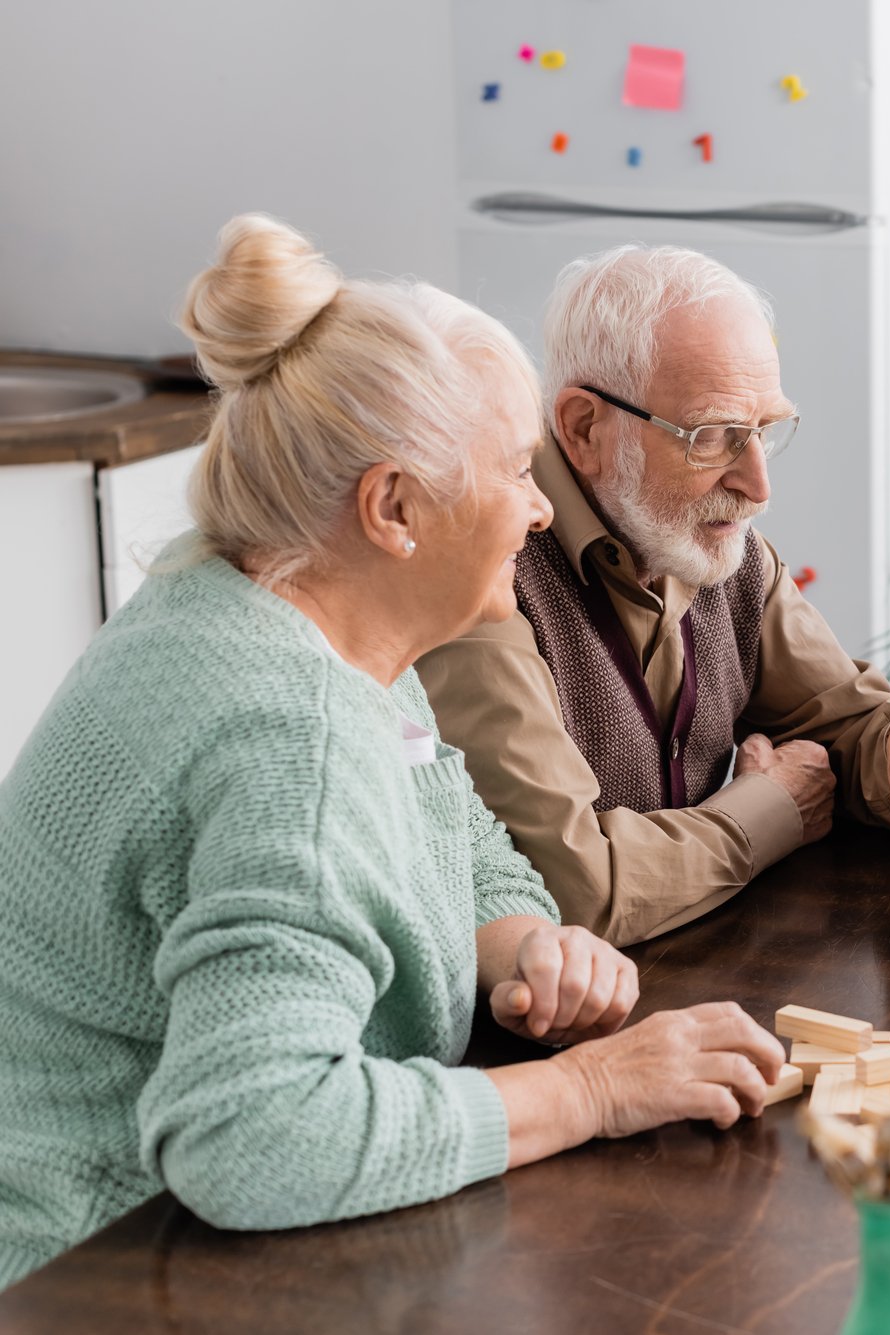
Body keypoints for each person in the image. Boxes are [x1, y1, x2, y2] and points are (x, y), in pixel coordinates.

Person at [0, 217, 786, 1289]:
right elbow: (254, 1138)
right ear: (395, 510)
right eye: (513, 469)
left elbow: (448, 823)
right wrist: (594, 1092)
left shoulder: (279, 601)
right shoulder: (291, 731)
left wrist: (520, 943)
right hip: (102, 1269)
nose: (539, 506)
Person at [417, 247, 890, 946]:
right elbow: (574, 886)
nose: (759, 485)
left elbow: (841, 719)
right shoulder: (492, 564)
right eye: (712, 437)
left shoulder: (707, 542)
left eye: (764, 430)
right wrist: (771, 807)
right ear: (584, 429)